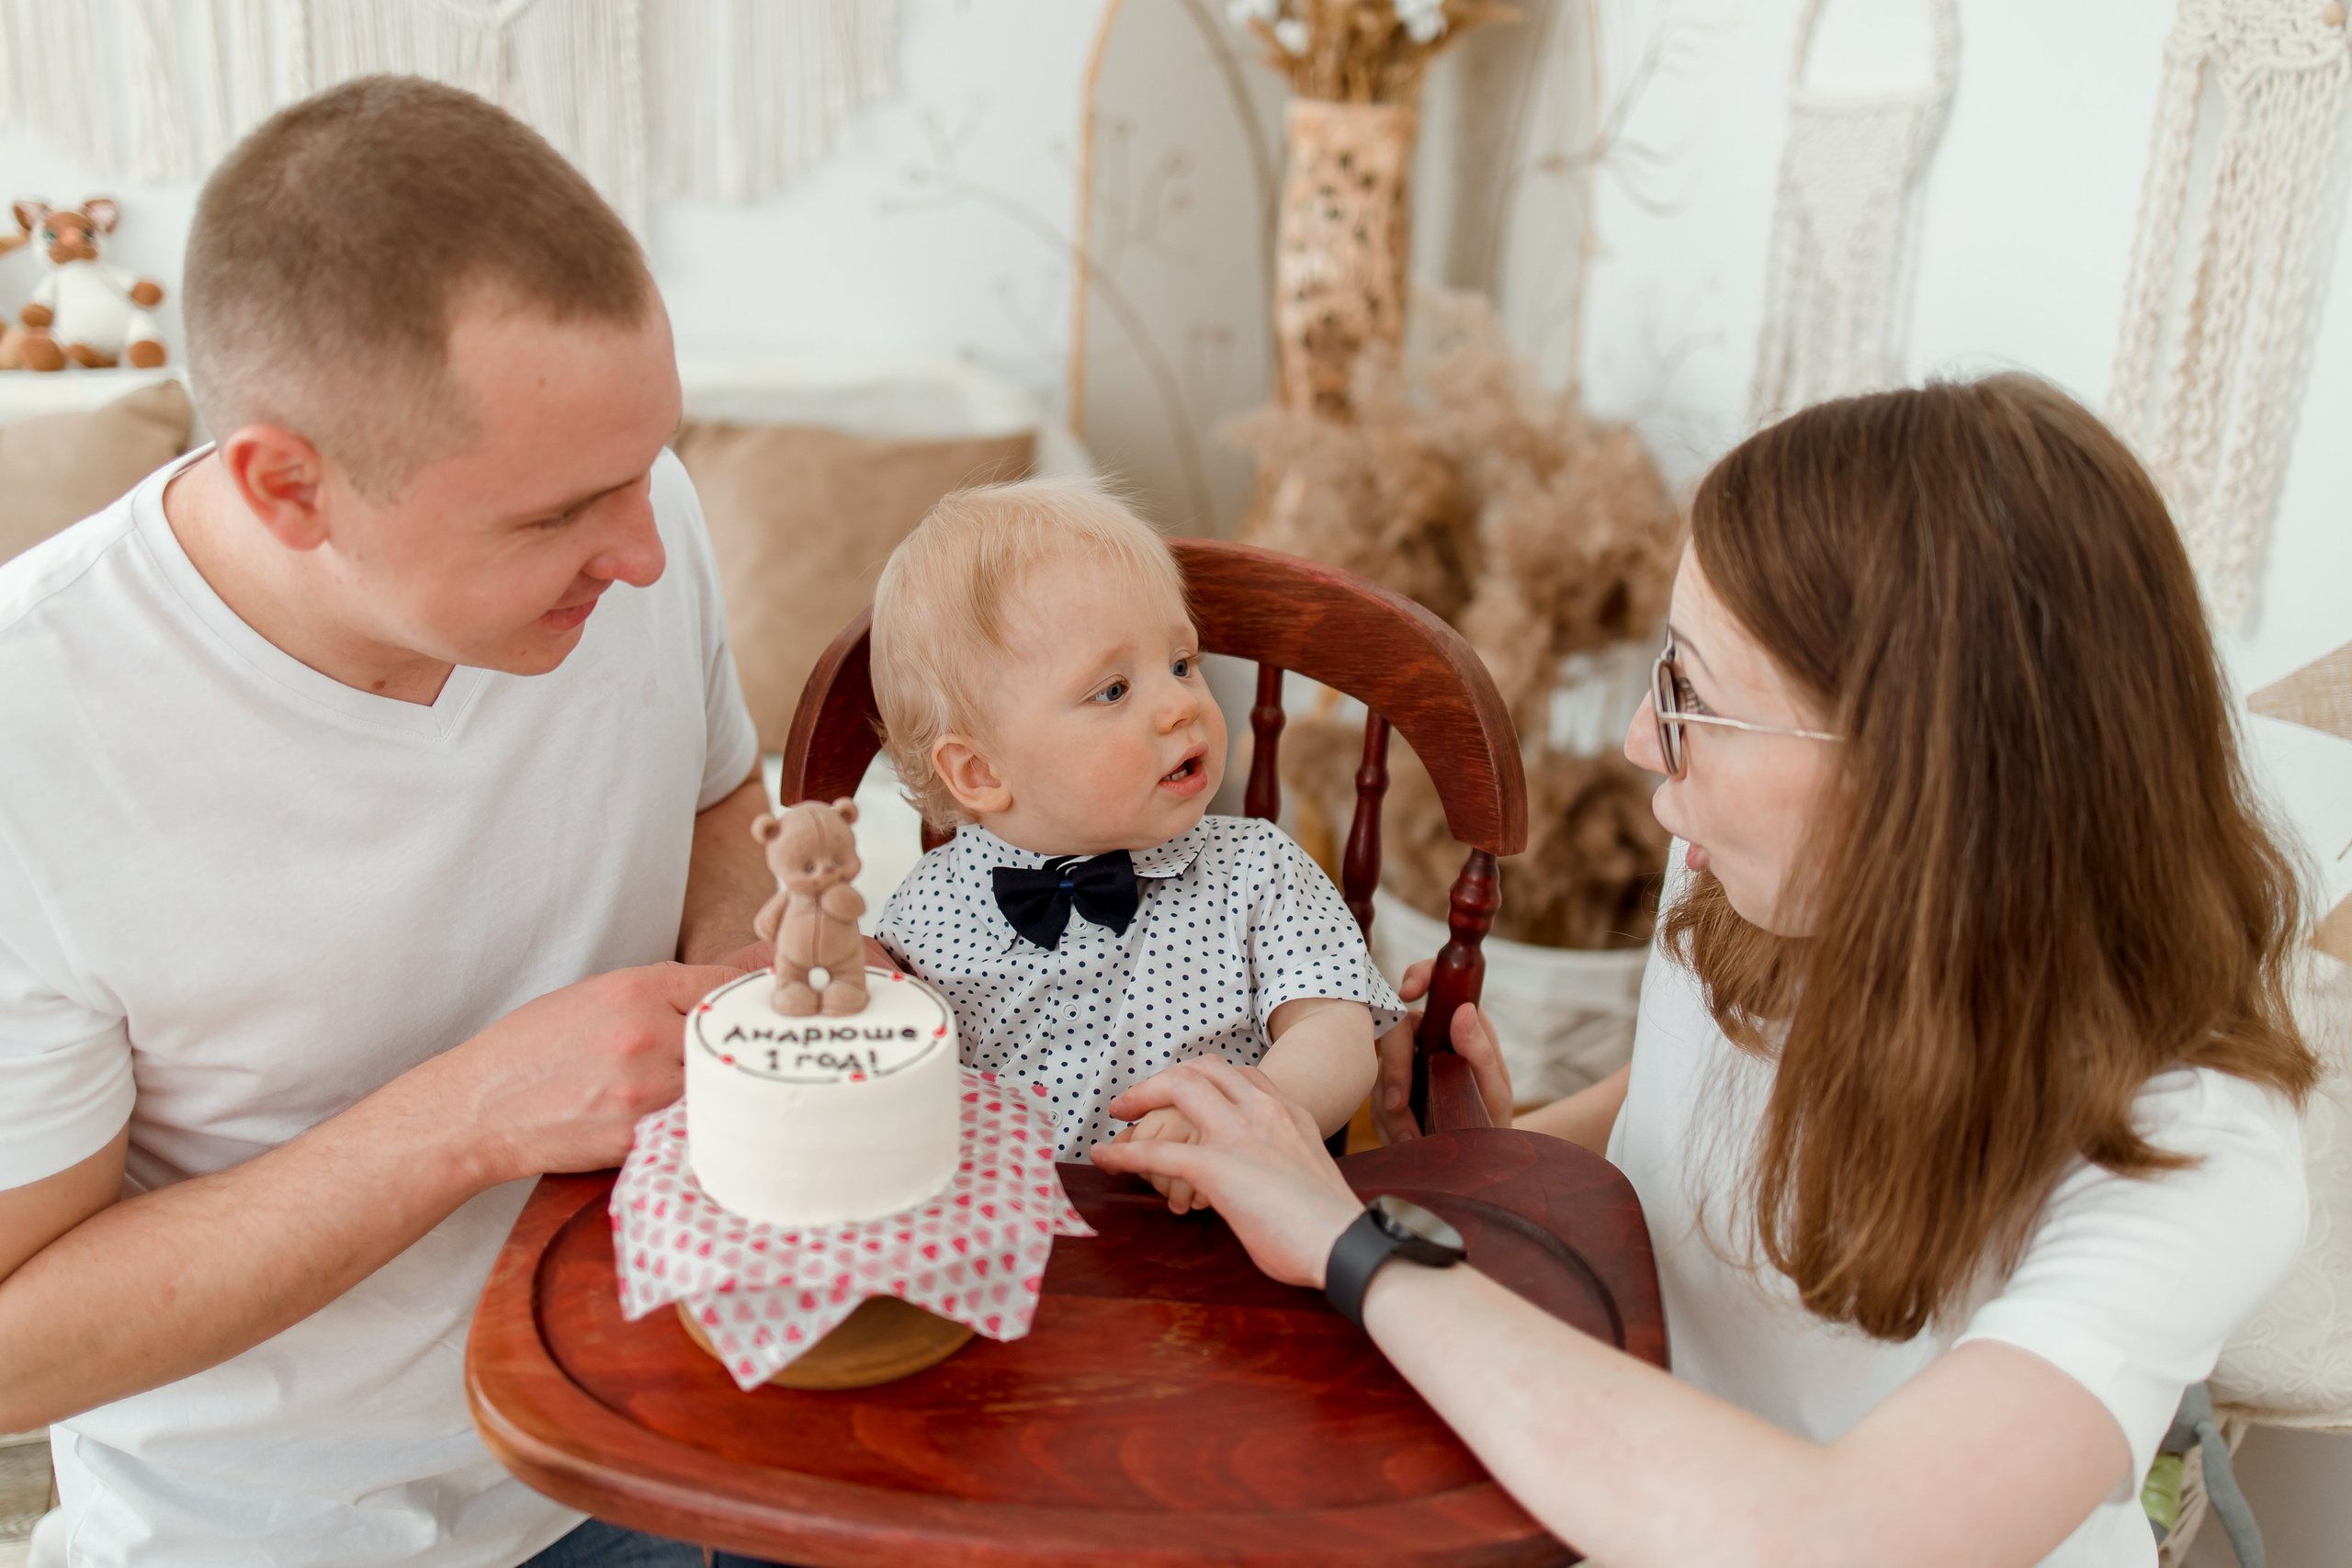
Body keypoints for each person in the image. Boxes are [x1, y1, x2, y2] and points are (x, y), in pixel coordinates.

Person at [1092, 374, 2318, 1568]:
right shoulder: (1738, 873)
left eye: (1692, 694)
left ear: (1917, 777)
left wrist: (1351, 1240)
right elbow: (1693, 1100)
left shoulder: (2189, 1155)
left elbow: (1839, 1534)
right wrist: (1495, 1158)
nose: (1644, 740)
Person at [0, 78, 790, 1567]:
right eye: (553, 516)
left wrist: (758, 974)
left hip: (666, 1428)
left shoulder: (636, 515)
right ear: (288, 486)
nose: (640, 550)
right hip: (276, 1535)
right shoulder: (30, 735)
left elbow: (713, 796)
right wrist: (471, 1113)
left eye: (648, 465)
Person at [868, 479, 1398, 1211]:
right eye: (1113, 689)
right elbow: (886, 1074)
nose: (1181, 703)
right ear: (981, 771)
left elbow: (1333, 1027)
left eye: (1181, 663)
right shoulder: (931, 908)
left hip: (1219, 1224)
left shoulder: (1258, 868)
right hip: (1012, 1235)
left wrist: (1248, 1112)